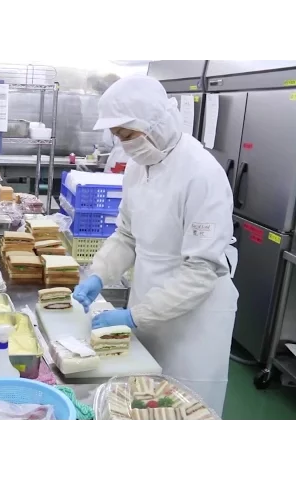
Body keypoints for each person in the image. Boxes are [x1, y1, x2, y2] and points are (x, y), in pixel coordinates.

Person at [73, 75, 238, 417]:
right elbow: (126, 236)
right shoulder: (137, 169)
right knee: (142, 401)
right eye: (117, 136)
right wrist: (98, 274)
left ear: (156, 124)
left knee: (186, 406)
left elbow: (200, 271)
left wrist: (135, 316)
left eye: (127, 135)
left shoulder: (201, 174)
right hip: (149, 299)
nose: (124, 145)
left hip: (194, 318)